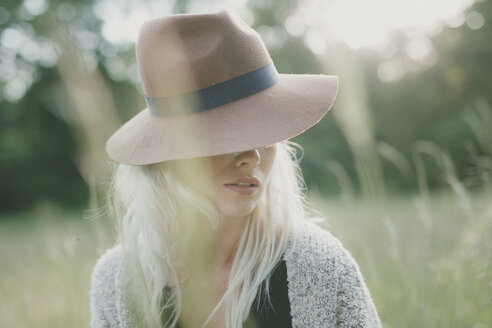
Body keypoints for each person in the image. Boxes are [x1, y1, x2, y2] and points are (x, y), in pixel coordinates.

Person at [90, 10, 382, 328]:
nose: (252, 157)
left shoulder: (320, 267)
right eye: (225, 136)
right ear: (167, 155)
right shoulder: (117, 280)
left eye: (264, 132)